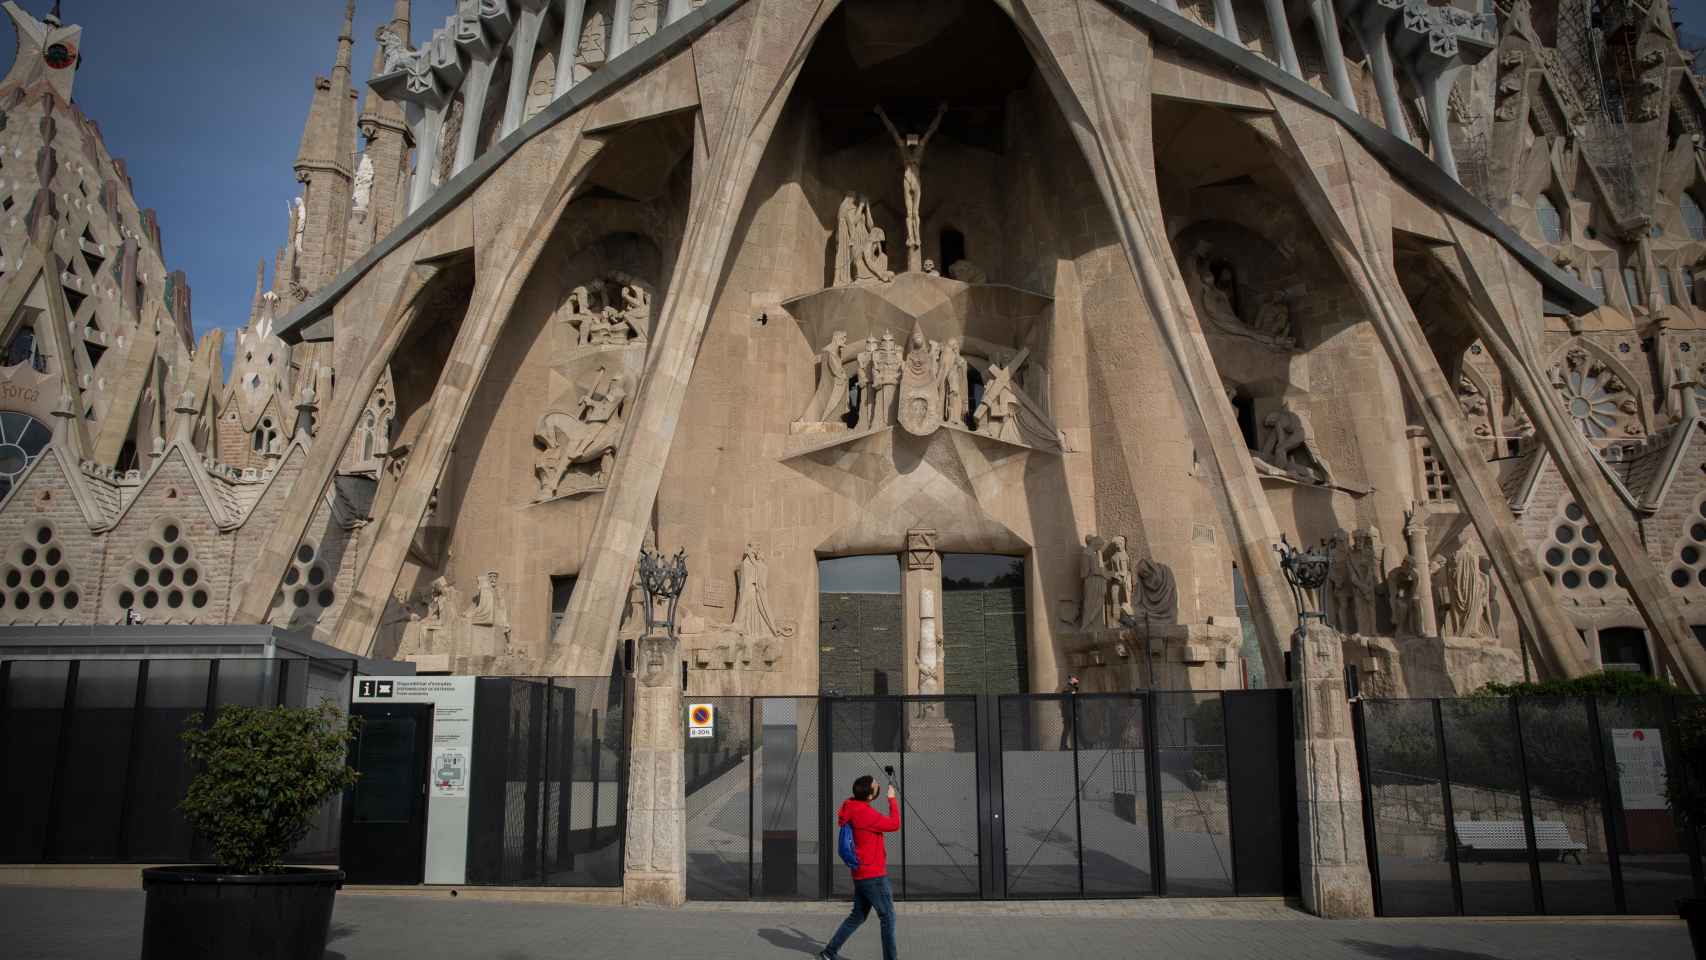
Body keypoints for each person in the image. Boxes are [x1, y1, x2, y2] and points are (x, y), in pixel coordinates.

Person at [819, 774, 901, 960]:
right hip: (874, 876)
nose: (877, 785)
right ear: (870, 796)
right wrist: (891, 799)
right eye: (875, 785)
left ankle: (829, 953)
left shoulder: (853, 806)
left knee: (857, 916)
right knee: (887, 918)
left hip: (861, 874)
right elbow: (895, 824)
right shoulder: (866, 814)